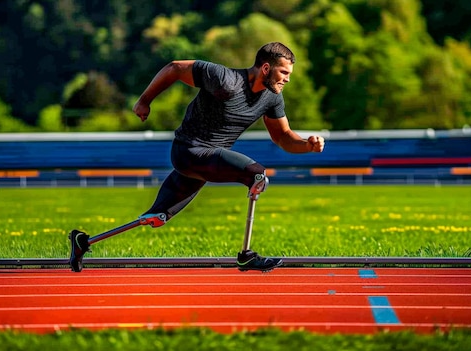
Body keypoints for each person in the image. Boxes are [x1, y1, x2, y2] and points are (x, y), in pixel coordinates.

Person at [69, 42, 325, 272]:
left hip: (205, 162)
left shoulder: (272, 98)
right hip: (189, 152)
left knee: (157, 217)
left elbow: (282, 137)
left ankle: (83, 242)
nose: (287, 80)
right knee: (256, 174)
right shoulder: (225, 79)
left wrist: (307, 145)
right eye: (284, 73)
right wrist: (145, 100)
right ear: (266, 68)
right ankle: (246, 256)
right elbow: (175, 67)